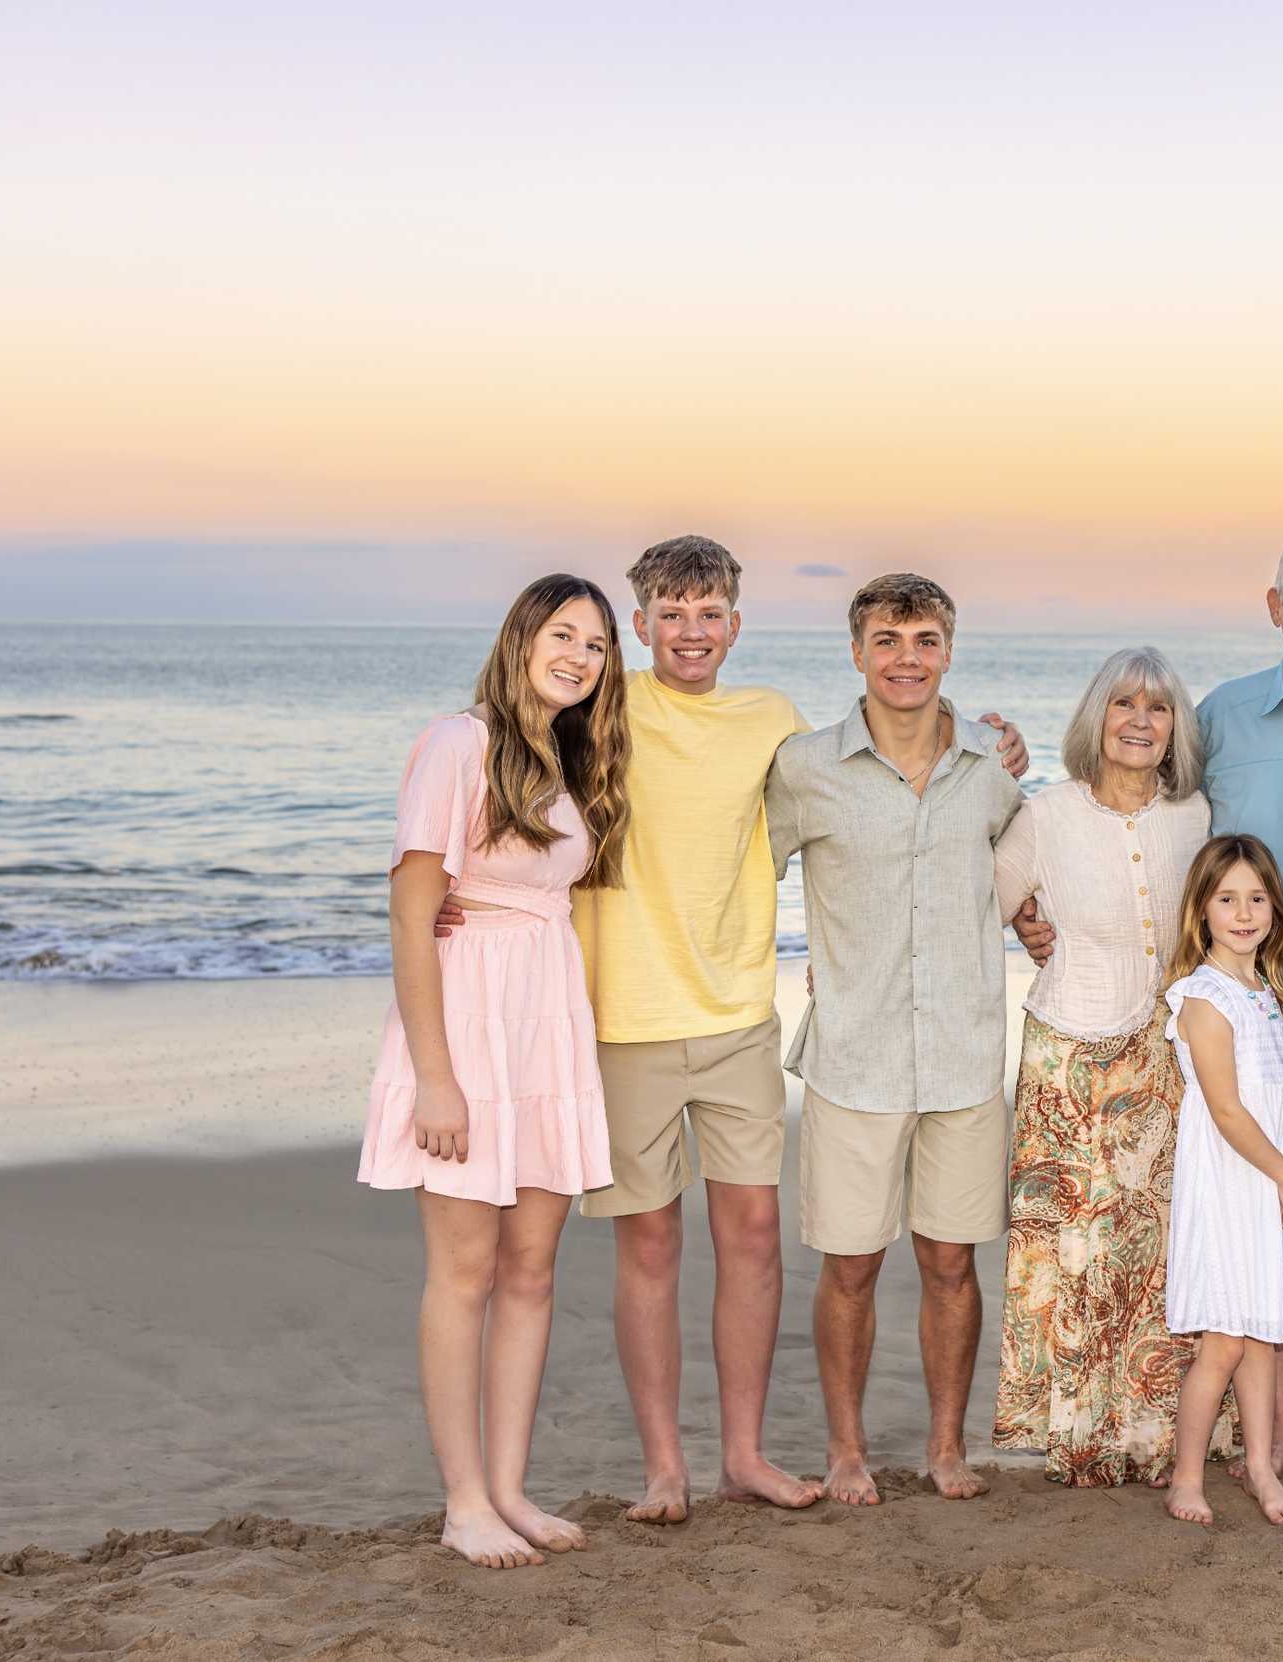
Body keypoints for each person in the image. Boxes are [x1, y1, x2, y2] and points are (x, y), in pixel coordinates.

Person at [435, 537, 1028, 1525]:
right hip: (620, 1020)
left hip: (741, 1020)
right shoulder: (599, 705)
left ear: (736, 625)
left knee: (753, 1238)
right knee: (651, 1246)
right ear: (643, 623)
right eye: (672, 613)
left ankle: (743, 1455)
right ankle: (665, 1467)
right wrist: (464, 895)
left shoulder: (778, 732)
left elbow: (904, 822)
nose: (692, 631)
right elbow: (504, 761)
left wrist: (1007, 764)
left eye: (710, 614)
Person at [1019, 526, 1283, 1482]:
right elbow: (1134, 812)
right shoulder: (1218, 718)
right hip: (1251, 1005)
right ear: (1275, 609)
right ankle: (1278, 1419)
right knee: (1266, 1211)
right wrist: (1034, 908)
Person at [358, 574, 631, 1568]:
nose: (579, 656)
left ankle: (510, 1488)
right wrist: (436, 1076)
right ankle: (462, 1501)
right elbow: (410, 913)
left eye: (597, 645)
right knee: (466, 1272)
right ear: (520, 636)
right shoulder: (457, 742)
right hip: (467, 1029)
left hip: (546, 1027)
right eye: (563, 634)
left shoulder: (564, 758)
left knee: (530, 1272)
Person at [767, 573, 1026, 1506]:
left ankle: (946, 1447)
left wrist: (1035, 924)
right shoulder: (804, 769)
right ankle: (845, 1450)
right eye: (887, 640)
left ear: (949, 651)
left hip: (962, 1055)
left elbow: (1029, 869)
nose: (906, 658)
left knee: (951, 1262)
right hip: (854, 1057)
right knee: (851, 1264)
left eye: (923, 640)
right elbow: (735, 875)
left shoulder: (993, 771)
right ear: (856, 652)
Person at [991, 647, 1211, 1487]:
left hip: (1162, 1055)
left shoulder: (1194, 815)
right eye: (1124, 704)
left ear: (1175, 728)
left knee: (1148, 1253)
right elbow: (985, 891)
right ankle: (1078, 1437)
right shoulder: (1047, 813)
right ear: (1096, 718)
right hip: (1065, 1058)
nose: (1141, 721)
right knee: (1072, 1249)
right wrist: (1025, 923)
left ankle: (1152, 1436)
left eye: (1158, 709)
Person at [1161, 834, 1283, 1527]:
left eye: (1256, 898)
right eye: (1228, 899)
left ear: (1275, 911)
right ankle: (1186, 1477)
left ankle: (1258, 1466)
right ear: (1202, 912)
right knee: (1224, 1340)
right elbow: (1225, 1107)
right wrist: (1282, 1172)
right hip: (1232, 1177)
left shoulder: (1270, 994)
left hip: (1273, 1178)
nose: (1244, 912)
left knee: (1264, 1332)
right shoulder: (1203, 995)